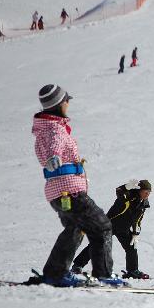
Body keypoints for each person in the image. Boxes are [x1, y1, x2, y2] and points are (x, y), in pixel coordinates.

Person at [32, 84, 120, 287]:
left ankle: (55, 272)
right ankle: (104, 275)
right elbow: (54, 146)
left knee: (75, 229)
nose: (68, 104)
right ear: (59, 104)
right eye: (66, 100)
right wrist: (54, 157)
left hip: (58, 191)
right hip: (69, 191)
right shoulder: (55, 129)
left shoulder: (45, 129)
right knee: (102, 226)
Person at [72, 179, 152, 279]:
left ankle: (132, 271)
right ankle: (77, 265)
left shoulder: (143, 203)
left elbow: (138, 219)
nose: (147, 194)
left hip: (124, 228)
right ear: (139, 190)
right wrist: (126, 187)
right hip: (110, 225)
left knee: (131, 248)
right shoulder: (129, 196)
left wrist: (135, 233)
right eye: (145, 192)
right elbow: (119, 191)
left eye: (149, 192)